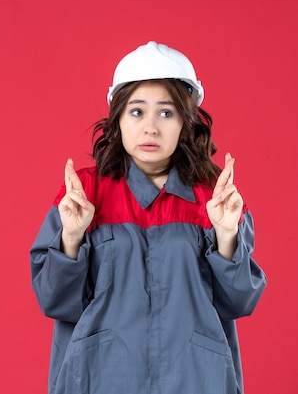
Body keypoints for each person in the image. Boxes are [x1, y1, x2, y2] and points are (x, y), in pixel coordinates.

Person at [30, 41, 266, 394]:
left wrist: (226, 236)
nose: (151, 127)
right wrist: (71, 238)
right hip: (99, 379)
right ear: (118, 119)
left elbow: (239, 302)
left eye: (166, 113)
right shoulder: (82, 195)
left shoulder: (216, 198)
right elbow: (54, 300)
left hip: (196, 380)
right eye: (137, 112)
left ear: (186, 122)